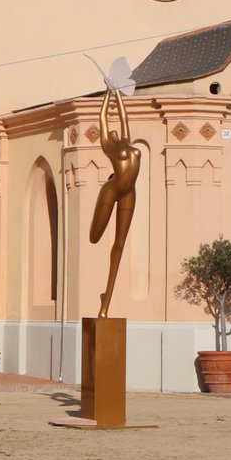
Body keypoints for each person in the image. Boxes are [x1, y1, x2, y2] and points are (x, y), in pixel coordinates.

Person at [89, 86, 140, 318]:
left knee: (119, 244)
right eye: (109, 132)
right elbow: (103, 118)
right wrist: (106, 96)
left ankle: (105, 302)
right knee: (95, 235)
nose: (113, 133)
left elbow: (124, 116)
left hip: (130, 192)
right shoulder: (107, 146)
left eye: (114, 132)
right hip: (112, 190)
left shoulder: (127, 141)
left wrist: (118, 92)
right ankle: (103, 303)